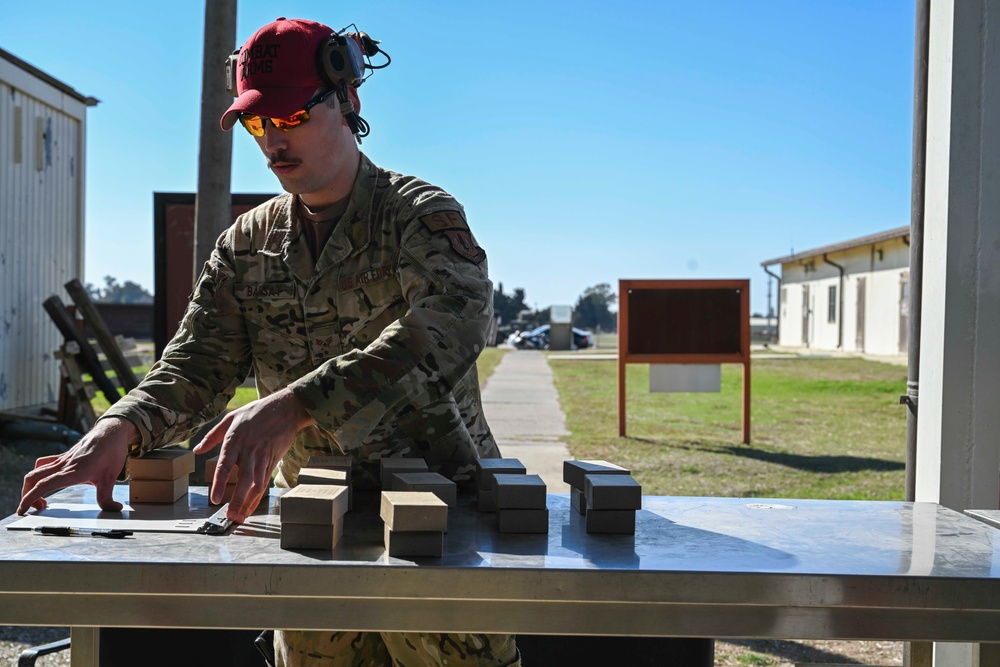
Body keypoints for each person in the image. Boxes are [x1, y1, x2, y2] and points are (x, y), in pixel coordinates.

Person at [18, 16, 520, 667]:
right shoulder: (247, 243)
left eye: (291, 116)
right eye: (258, 123)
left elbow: (448, 329)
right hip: (313, 530)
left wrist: (297, 403)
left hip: (441, 527)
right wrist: (119, 428)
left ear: (348, 101)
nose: (273, 140)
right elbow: (196, 365)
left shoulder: (419, 215)